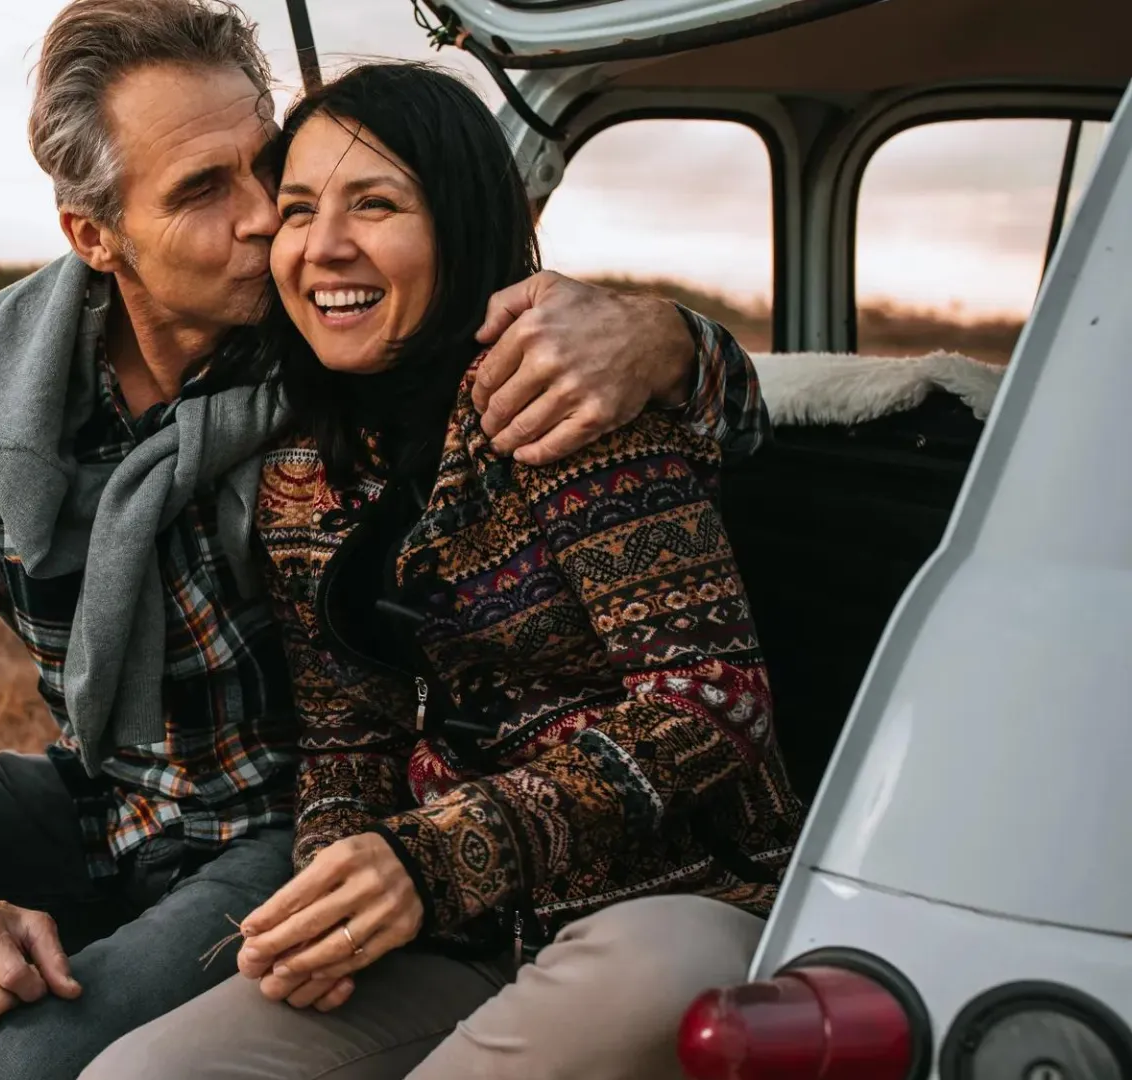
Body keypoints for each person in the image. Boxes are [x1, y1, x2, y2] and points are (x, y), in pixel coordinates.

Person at [0, 3, 777, 1079]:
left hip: (275, 820)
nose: (267, 219)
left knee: (28, 1065)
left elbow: (532, 336)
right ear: (95, 235)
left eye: (265, 170)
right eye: (205, 190)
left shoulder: (340, 327)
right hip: (116, 794)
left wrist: (671, 340)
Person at [81, 62, 804, 1080]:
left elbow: (712, 701)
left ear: (461, 223)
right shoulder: (301, 472)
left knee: (661, 965)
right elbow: (347, 735)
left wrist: (436, 858)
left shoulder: (563, 396)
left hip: (673, 910)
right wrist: (337, 890)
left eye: (374, 203)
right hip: (460, 935)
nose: (323, 245)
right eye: (296, 210)